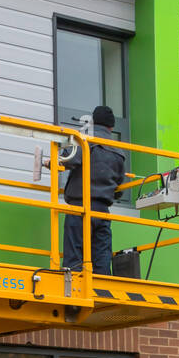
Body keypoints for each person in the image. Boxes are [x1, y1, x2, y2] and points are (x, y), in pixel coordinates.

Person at [62, 106, 126, 274]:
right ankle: (101, 292)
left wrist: (50, 162)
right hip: (102, 211)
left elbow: (67, 160)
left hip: (80, 207)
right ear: (111, 127)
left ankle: (72, 294)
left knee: (74, 254)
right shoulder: (118, 151)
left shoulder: (84, 140)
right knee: (101, 256)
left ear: (92, 122)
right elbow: (119, 189)